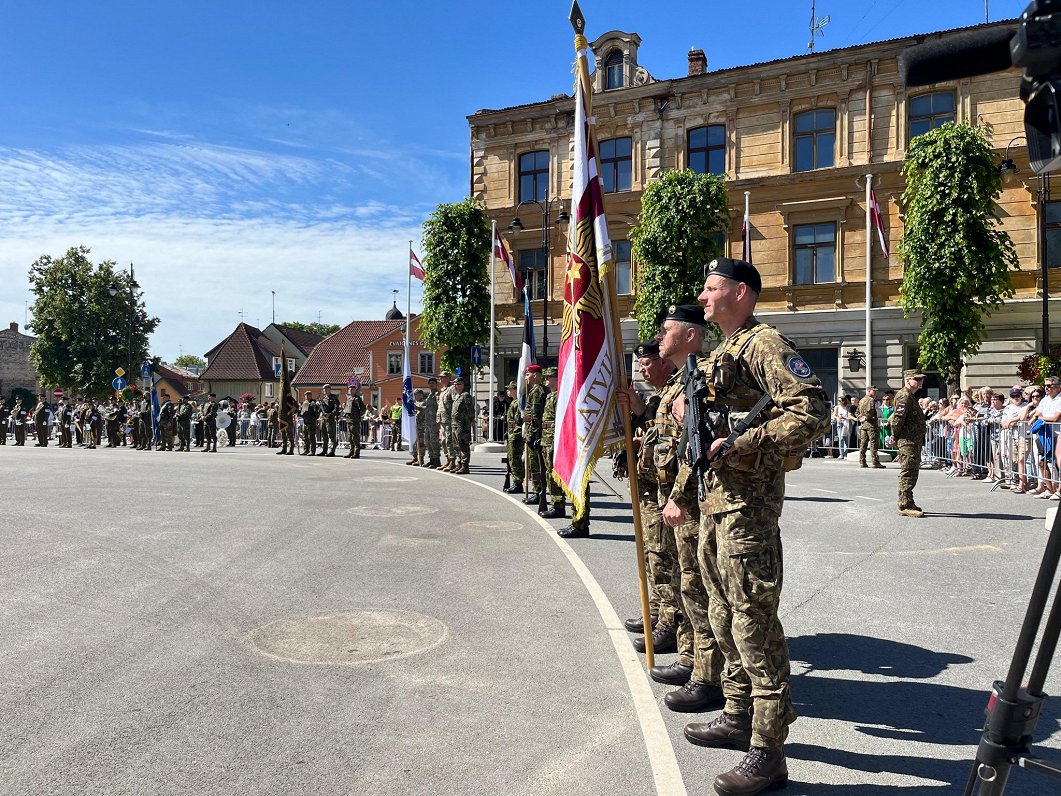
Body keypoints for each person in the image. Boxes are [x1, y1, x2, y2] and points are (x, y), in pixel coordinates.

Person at [683, 257, 829, 795]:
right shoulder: (724, 349)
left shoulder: (763, 344)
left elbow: (812, 411)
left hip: (749, 511)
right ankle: (738, 714)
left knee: (753, 624)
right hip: (717, 504)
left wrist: (741, 443)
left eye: (711, 288)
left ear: (741, 293)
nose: (702, 297)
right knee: (722, 614)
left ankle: (768, 753)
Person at [652, 306, 726, 709]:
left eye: (668, 330)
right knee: (689, 584)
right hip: (681, 496)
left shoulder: (703, 379)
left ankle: (707, 676)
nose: (661, 336)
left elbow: (699, 447)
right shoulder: (681, 380)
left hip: (699, 500)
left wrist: (679, 495)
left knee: (699, 588)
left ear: (691, 336)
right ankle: (694, 660)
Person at [616, 340, 686, 681]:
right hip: (648, 486)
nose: (642, 370)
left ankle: (668, 623)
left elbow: (668, 440)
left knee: (663, 557)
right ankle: (657, 612)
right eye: (640, 365)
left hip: (666, 490)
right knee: (651, 554)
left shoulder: (674, 392)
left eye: (646, 364)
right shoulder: (659, 397)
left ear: (664, 364)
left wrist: (642, 415)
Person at [891, 370, 929, 517]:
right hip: (907, 440)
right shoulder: (904, 396)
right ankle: (904, 504)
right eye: (917, 379)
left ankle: (908, 500)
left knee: (912, 471)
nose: (920, 382)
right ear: (907, 380)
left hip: (913, 440)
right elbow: (897, 419)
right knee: (908, 471)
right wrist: (895, 436)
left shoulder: (910, 396)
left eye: (921, 379)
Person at [539, 368, 566, 518]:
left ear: (557, 378)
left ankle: (558, 505)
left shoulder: (559, 396)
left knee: (554, 473)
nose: (546, 380)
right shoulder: (550, 396)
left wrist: (556, 441)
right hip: (546, 439)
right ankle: (555, 503)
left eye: (549, 377)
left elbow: (560, 421)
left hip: (553, 440)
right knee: (549, 473)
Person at [522, 364, 547, 502]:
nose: (526, 377)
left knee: (536, 464)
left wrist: (533, 434)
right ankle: (538, 491)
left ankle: (539, 492)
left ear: (536, 375)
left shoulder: (537, 391)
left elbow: (536, 416)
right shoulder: (534, 390)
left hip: (536, 433)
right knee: (534, 464)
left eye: (528, 374)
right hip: (534, 432)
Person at [450, 378, 475, 474]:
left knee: (463, 445)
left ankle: (465, 465)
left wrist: (468, 422)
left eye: (458, 384)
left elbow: (470, 410)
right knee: (456, 446)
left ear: (463, 385)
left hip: (462, 426)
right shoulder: (457, 396)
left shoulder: (465, 396)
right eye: (455, 384)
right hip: (455, 425)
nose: (456, 386)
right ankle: (459, 463)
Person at [503, 381, 524, 492]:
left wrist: (515, 434)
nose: (507, 391)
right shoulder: (513, 402)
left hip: (516, 435)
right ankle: (516, 481)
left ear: (515, 390)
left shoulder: (518, 403)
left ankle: (518, 482)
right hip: (512, 433)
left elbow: (518, 421)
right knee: (512, 459)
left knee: (515, 459)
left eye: (510, 389)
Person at [856, 386, 884, 468]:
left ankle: (862, 461)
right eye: (873, 391)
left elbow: (857, 412)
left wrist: (860, 418)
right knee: (873, 444)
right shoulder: (871, 400)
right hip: (871, 425)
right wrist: (867, 417)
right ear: (868, 391)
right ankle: (875, 462)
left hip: (864, 425)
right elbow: (871, 412)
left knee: (863, 444)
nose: (875, 393)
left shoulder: (861, 400)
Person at [422, 377, 441, 468]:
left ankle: (437, 460)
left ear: (436, 384)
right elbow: (424, 407)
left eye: (433, 383)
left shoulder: (438, 394)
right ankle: (431, 459)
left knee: (434, 442)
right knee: (428, 441)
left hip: (435, 422)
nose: (431, 385)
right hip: (428, 422)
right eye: (430, 383)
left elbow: (440, 407)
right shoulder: (429, 395)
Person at [437, 371, 455, 469]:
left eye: (443, 377)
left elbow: (455, 403)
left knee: (449, 441)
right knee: (443, 441)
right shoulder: (442, 390)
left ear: (448, 377)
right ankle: (447, 459)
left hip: (449, 419)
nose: (441, 379)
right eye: (440, 377)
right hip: (442, 419)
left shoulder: (452, 389)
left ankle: (452, 461)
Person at [343, 386, 365, 459]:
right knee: (350, 438)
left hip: (354, 421)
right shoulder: (349, 399)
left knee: (355, 437)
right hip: (349, 420)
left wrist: (358, 416)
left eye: (352, 389)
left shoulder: (357, 399)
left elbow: (362, 409)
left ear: (355, 390)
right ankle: (351, 452)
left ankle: (356, 453)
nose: (350, 390)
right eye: (349, 389)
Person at [318, 384, 340, 457]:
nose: (325, 391)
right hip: (323, 419)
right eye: (324, 390)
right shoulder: (323, 398)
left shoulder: (333, 398)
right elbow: (321, 410)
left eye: (327, 389)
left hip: (330, 419)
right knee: (324, 435)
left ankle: (332, 451)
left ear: (330, 390)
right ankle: (324, 450)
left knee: (332, 435)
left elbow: (337, 408)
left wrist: (330, 414)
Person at [832, 395, 852, 459]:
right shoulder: (837, 407)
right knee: (841, 439)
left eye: (842, 400)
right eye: (839, 401)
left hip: (847, 424)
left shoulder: (848, 407)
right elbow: (834, 415)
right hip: (840, 424)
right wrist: (837, 418)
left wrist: (847, 418)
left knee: (846, 439)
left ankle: (846, 453)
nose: (840, 402)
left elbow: (849, 414)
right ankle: (841, 453)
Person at [299, 390, 319, 456]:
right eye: (306, 395)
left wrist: (314, 418)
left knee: (311, 437)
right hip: (305, 422)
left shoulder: (313, 403)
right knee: (305, 437)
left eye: (309, 395)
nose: (307, 396)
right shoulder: (304, 403)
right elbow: (302, 413)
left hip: (311, 422)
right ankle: (306, 450)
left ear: (311, 396)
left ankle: (312, 451)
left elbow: (316, 412)